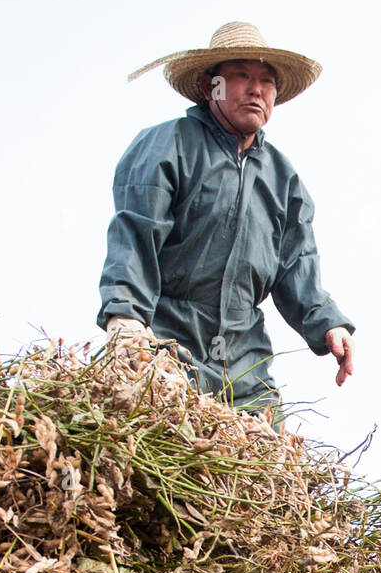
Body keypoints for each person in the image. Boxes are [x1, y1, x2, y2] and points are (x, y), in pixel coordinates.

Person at [98, 21, 355, 418]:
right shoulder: (169, 146)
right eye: (241, 76)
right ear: (209, 86)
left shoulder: (282, 179)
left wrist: (328, 324)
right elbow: (136, 233)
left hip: (243, 358)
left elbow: (296, 264)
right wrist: (125, 317)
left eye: (266, 81)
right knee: (163, 445)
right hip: (169, 340)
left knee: (266, 461)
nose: (256, 89)